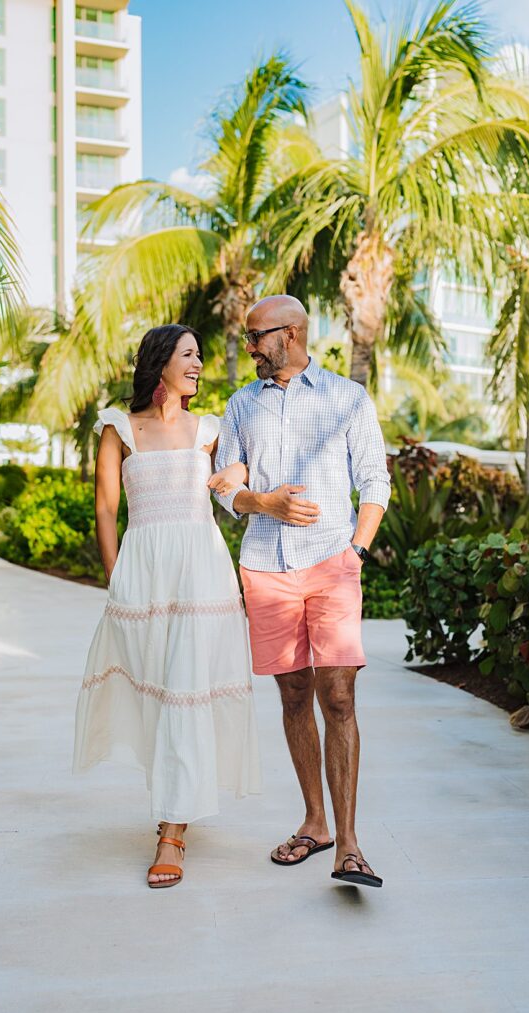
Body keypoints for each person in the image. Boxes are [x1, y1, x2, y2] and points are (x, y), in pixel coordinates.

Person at [209, 295, 391, 887]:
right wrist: (263, 502)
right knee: (293, 697)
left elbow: (374, 480)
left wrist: (356, 552)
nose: (250, 348)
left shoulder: (347, 397)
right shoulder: (240, 404)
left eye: (257, 336)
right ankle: (316, 823)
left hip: (332, 564)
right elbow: (225, 488)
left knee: (337, 696)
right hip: (266, 566)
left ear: (290, 334)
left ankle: (351, 845)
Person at [73, 323, 261, 890]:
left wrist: (244, 472)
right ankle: (177, 797)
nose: (200, 364)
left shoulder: (212, 429)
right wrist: (115, 578)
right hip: (143, 573)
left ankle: (172, 831)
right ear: (160, 363)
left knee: (185, 691)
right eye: (190, 355)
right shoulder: (118, 427)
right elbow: (107, 510)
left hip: (201, 574)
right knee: (157, 694)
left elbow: (238, 478)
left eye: (201, 356)